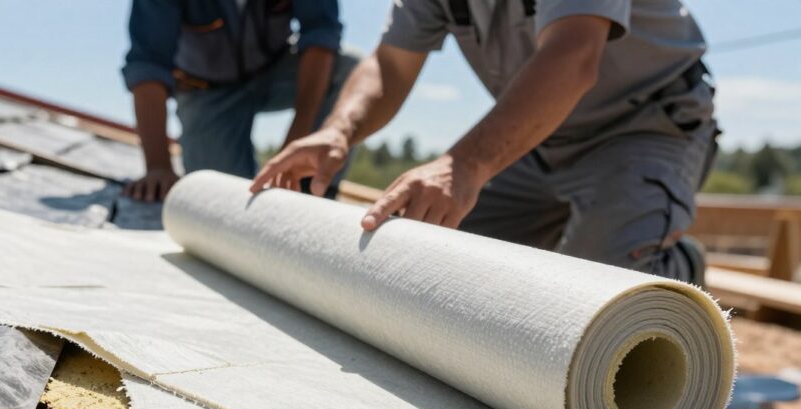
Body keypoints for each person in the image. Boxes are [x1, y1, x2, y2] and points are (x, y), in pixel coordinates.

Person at [253, 0, 717, 284]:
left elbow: (574, 55)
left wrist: (465, 166)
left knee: (606, 291)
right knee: (435, 261)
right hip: (537, 136)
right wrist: (338, 130)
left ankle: (677, 267)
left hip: (643, 126)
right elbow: (390, 65)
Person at [122, 0, 359, 202]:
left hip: (276, 70)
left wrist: (299, 139)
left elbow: (320, 33)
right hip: (207, 94)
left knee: (350, 72)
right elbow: (149, 64)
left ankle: (312, 192)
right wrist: (158, 166)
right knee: (221, 200)